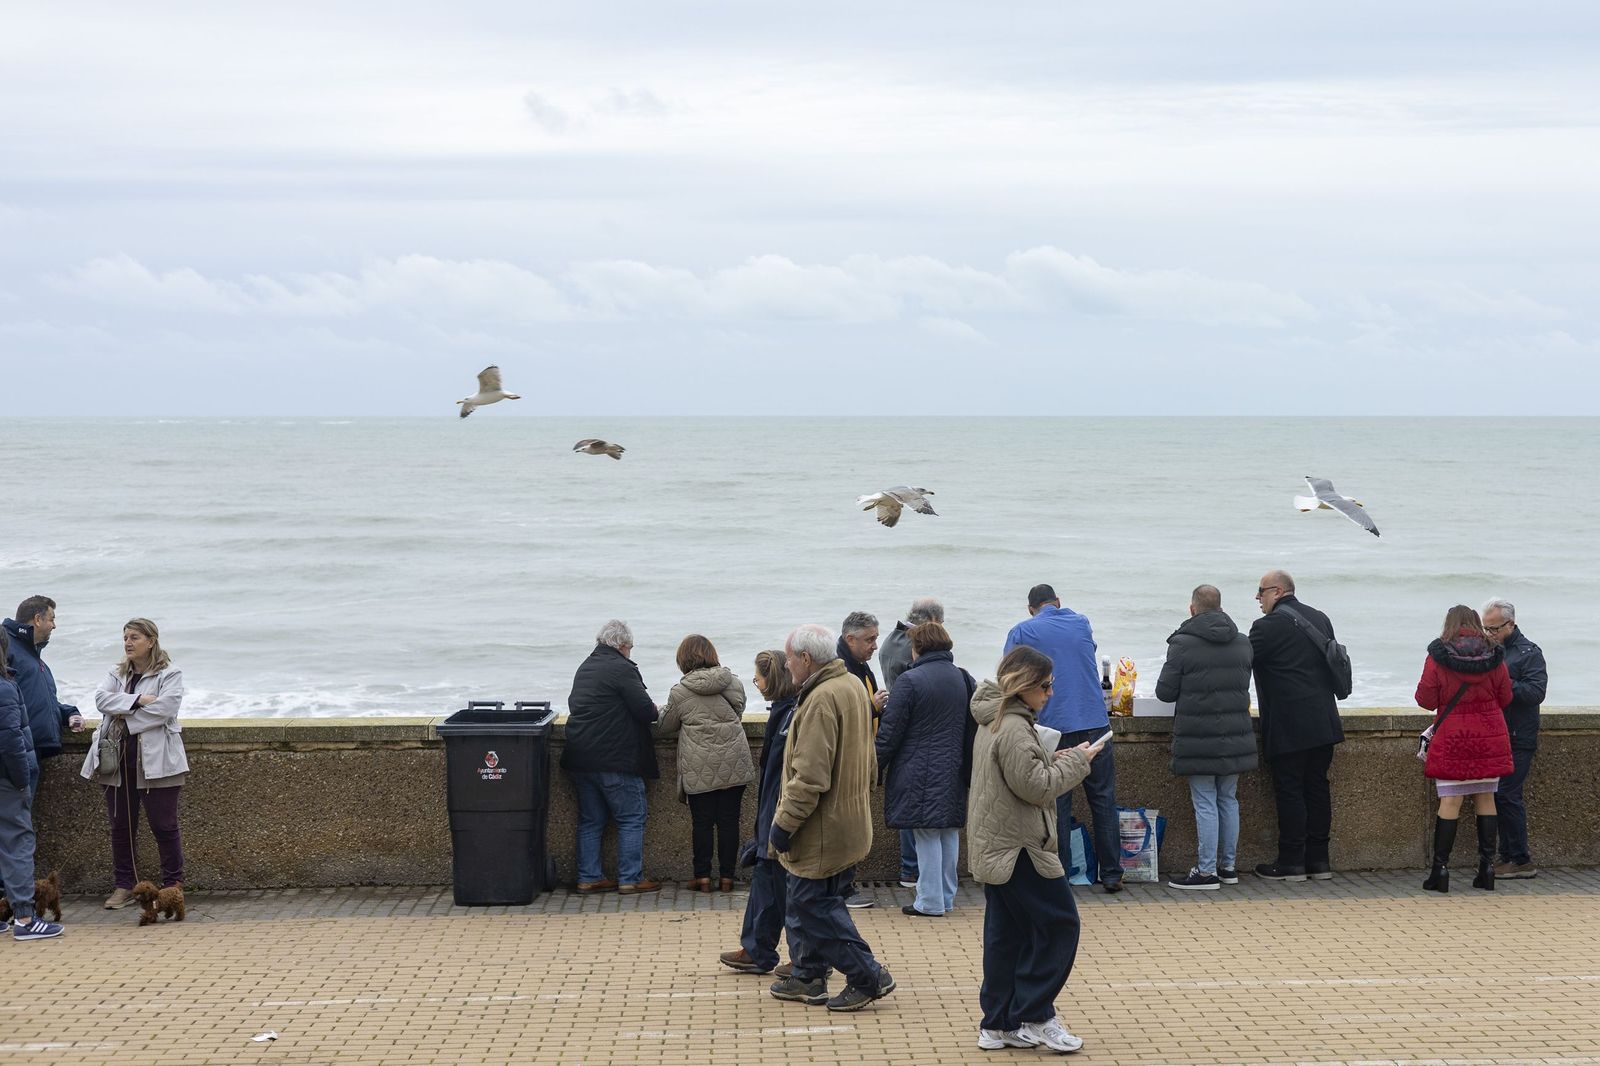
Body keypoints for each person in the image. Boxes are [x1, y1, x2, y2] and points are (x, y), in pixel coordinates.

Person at [968, 645, 1104, 1053]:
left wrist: (1052, 758)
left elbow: (1020, 775)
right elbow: (1037, 787)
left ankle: (999, 1023)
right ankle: (1037, 1014)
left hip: (998, 844)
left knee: (1007, 936)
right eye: (1045, 686)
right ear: (1023, 685)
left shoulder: (994, 719)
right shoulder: (1012, 727)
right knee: (1060, 924)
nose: (1049, 693)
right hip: (1020, 847)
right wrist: (1077, 762)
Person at [767, 623, 895, 1012]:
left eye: (790, 658)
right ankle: (808, 976)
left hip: (823, 828)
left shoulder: (821, 699)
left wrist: (783, 825)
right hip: (849, 820)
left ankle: (868, 975)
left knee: (814, 907)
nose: (786, 665)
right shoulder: (852, 685)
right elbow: (868, 759)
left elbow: (809, 778)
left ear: (806, 659)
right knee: (812, 900)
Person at [1003, 583, 1121, 892]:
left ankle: (1061, 877)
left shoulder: (1022, 630)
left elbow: (1008, 678)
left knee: (1057, 805)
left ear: (1031, 609)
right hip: (1095, 722)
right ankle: (1112, 874)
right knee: (1103, 800)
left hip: (1054, 727)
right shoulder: (1082, 622)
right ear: (1058, 601)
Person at [80, 618, 187, 909]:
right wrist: (139, 699)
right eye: (125, 637)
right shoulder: (116, 673)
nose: (128, 642)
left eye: (135, 637)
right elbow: (101, 700)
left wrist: (125, 716)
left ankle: (173, 886)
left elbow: (166, 709)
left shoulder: (170, 674)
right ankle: (125, 885)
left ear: (151, 641)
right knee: (121, 827)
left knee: (164, 826)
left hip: (158, 761)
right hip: (117, 762)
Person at [1155, 585, 1256, 891]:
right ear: (1221, 608)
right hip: (1235, 735)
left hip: (1198, 737)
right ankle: (1228, 867)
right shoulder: (1243, 642)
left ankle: (1206, 871)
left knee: (1205, 802)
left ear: (1192, 609)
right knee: (1228, 799)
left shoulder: (1182, 643)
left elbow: (1164, 692)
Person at [1249, 571, 1345, 881]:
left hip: (1288, 724)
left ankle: (1291, 862)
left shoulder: (1265, 627)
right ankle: (1319, 861)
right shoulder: (1320, 618)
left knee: (1290, 790)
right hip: (1324, 721)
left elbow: (1242, 662)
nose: (1257, 597)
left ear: (1277, 591)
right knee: (1317, 788)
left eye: (1261, 591)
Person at [875, 621, 973, 917]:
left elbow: (890, 731)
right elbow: (972, 728)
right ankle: (946, 896)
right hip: (953, 767)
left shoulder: (910, 680)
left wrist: (874, 765)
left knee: (926, 832)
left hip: (918, 770)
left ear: (918, 647)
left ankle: (929, 901)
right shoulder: (963, 678)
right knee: (948, 831)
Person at [1416, 605, 1514, 893]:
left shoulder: (1438, 657)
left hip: (1453, 738)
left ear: (1449, 625)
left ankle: (1440, 871)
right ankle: (1487, 869)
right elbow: (1506, 697)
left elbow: (1425, 699)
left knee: (1450, 802)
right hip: (1489, 738)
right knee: (1486, 798)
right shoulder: (1495, 655)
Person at [561, 620, 661, 895]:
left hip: (580, 757)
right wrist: (657, 708)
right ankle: (630, 878)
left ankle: (589, 877)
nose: (630, 652)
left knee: (591, 820)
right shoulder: (621, 668)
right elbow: (645, 711)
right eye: (630, 648)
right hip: (615, 758)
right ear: (622, 645)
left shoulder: (586, 666)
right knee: (631, 817)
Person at [719, 649, 800, 975]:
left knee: (788, 888)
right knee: (767, 882)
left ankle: (805, 958)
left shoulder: (790, 715)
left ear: (772, 679)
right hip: (772, 812)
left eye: (758, 678)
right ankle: (757, 949)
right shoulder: (784, 712)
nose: (756, 682)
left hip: (781, 812)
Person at [658, 634, 754, 892]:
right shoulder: (732, 682)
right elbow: (738, 711)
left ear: (683, 659)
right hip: (734, 761)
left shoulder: (680, 692)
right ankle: (727, 877)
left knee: (702, 822)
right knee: (729, 821)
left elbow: (665, 725)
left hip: (698, 764)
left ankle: (702, 876)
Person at [1, 628, 64, 940]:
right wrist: (22, 777)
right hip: (6, 778)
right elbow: (11, 739)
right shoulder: (4, 687)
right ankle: (25, 919)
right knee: (17, 843)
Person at [878, 596, 943, 889]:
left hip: (899, 722)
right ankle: (911, 868)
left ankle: (910, 867)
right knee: (915, 804)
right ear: (932, 621)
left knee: (908, 799)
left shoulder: (891, 640)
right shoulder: (913, 645)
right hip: (915, 730)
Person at [1482, 598, 1546, 879]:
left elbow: (1536, 692)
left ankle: (1521, 859)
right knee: (1498, 795)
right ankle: (1507, 855)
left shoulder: (1529, 653)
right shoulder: (1492, 651)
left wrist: (1504, 684)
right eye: (1486, 628)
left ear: (1511, 624)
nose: (1489, 634)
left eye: (1494, 629)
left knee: (1508, 794)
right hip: (1497, 733)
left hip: (1519, 735)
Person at [3, 596, 84, 799]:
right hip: (15, 751)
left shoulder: (34, 658)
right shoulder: (8, 647)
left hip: (29, 749)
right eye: (52, 619)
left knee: (21, 815)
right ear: (38, 619)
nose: (54, 626)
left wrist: (69, 713)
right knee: (14, 815)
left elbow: (38, 700)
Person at [836, 611, 886, 909]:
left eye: (875, 639)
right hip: (847, 761)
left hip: (863, 755)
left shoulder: (861, 666)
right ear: (850, 639)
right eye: (869, 640)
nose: (875, 646)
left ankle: (845, 885)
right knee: (845, 827)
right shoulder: (841, 669)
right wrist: (873, 706)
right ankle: (842, 888)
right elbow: (841, 716)